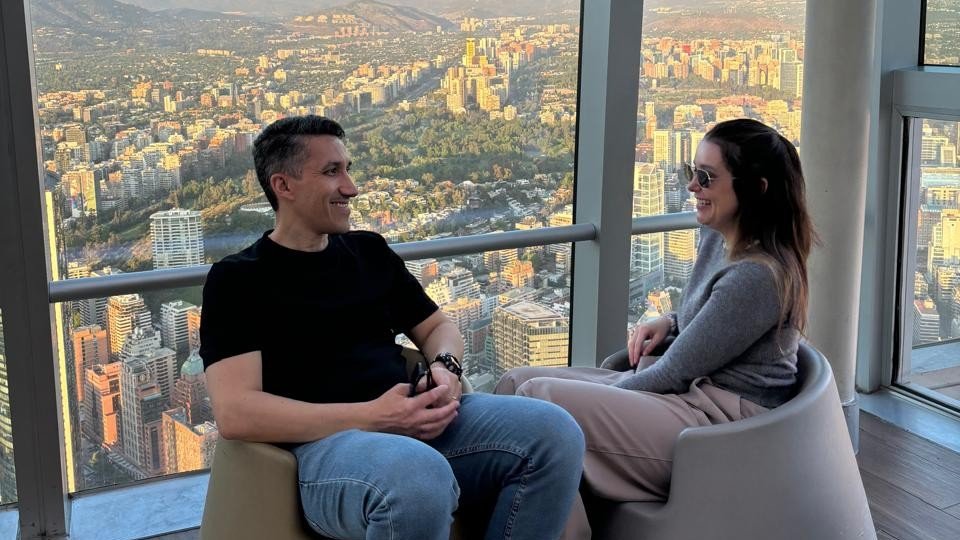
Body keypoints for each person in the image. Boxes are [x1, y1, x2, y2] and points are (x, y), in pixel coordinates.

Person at [199, 115, 585, 540]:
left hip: (414, 420)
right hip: (322, 450)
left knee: (555, 434)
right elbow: (236, 412)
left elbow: (437, 327)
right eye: (332, 172)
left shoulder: (368, 251)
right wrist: (372, 418)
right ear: (283, 186)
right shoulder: (238, 280)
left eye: (348, 169)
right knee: (415, 479)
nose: (351, 187)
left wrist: (446, 369)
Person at [495, 118, 816, 538]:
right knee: (514, 382)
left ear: (756, 189)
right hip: (687, 395)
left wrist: (609, 390)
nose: (692, 186)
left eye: (706, 177)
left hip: (717, 428)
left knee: (539, 400)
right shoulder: (719, 238)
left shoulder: (757, 276)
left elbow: (673, 372)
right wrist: (670, 321)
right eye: (692, 172)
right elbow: (714, 320)